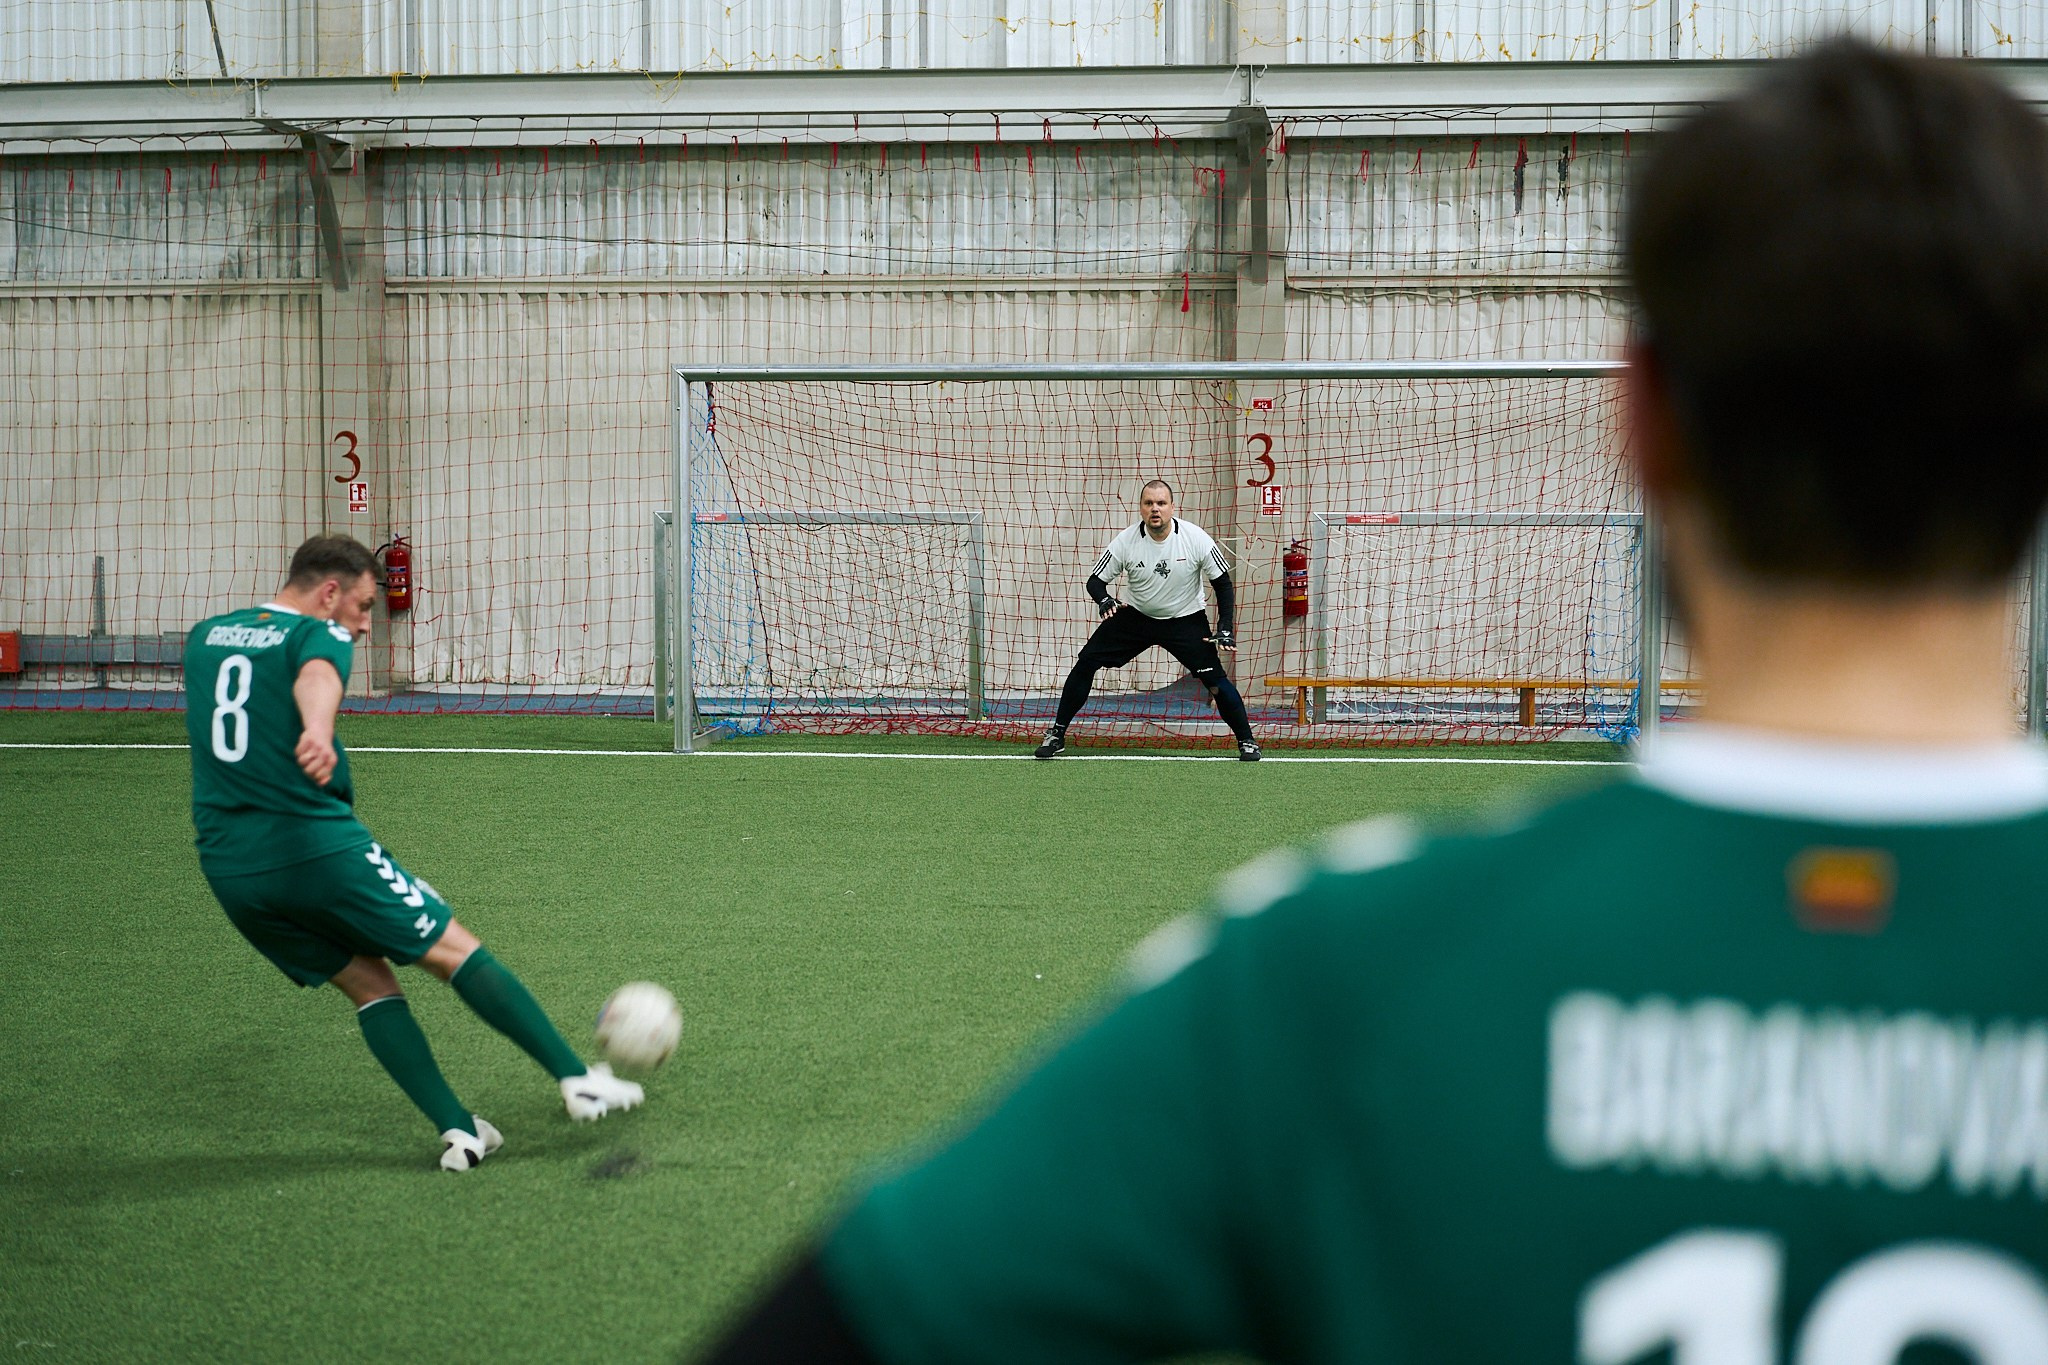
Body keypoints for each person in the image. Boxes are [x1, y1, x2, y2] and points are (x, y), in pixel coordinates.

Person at [700, 41, 2048, 1363]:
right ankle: (1078, 718)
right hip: (1146, 633)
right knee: (1107, 665)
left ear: (1639, 420)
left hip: (1233, 725)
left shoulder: (1328, 976)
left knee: (1218, 687)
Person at [184, 534, 644, 1172]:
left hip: (230, 870)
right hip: (311, 847)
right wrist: (318, 729)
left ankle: (460, 1130)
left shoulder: (206, 636)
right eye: (364, 606)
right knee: (453, 949)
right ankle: (578, 1080)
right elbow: (317, 674)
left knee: (369, 984)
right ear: (329, 592)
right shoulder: (319, 635)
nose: (365, 622)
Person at [1034, 479, 1261, 760]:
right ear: (1141, 508)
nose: (1155, 509)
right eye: (1149, 503)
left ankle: (1247, 741)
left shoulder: (1195, 537)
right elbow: (1095, 581)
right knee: (1086, 663)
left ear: (1172, 507)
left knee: (1215, 682)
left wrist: (1224, 627)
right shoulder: (1126, 540)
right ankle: (1056, 733)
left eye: (1161, 503)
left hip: (1185, 619)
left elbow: (1223, 584)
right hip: (1137, 618)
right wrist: (1104, 600)